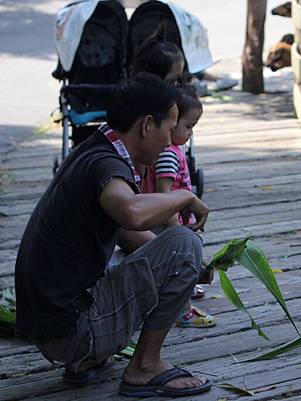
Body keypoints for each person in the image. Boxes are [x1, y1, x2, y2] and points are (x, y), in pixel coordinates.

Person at [14, 73, 213, 398]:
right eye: (169, 128)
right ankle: (145, 367)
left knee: (177, 250)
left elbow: (122, 229)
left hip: (56, 330)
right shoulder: (106, 164)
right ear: (147, 125)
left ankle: (85, 360)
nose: (171, 141)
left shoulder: (93, 149)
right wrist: (184, 197)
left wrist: (180, 264)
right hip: (76, 330)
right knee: (186, 244)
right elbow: (131, 213)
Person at [142, 83, 216, 329]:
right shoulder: (168, 155)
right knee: (181, 263)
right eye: (187, 126)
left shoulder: (173, 151)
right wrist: (178, 231)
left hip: (170, 219)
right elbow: (164, 194)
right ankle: (183, 312)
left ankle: (178, 303)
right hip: (166, 223)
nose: (190, 133)